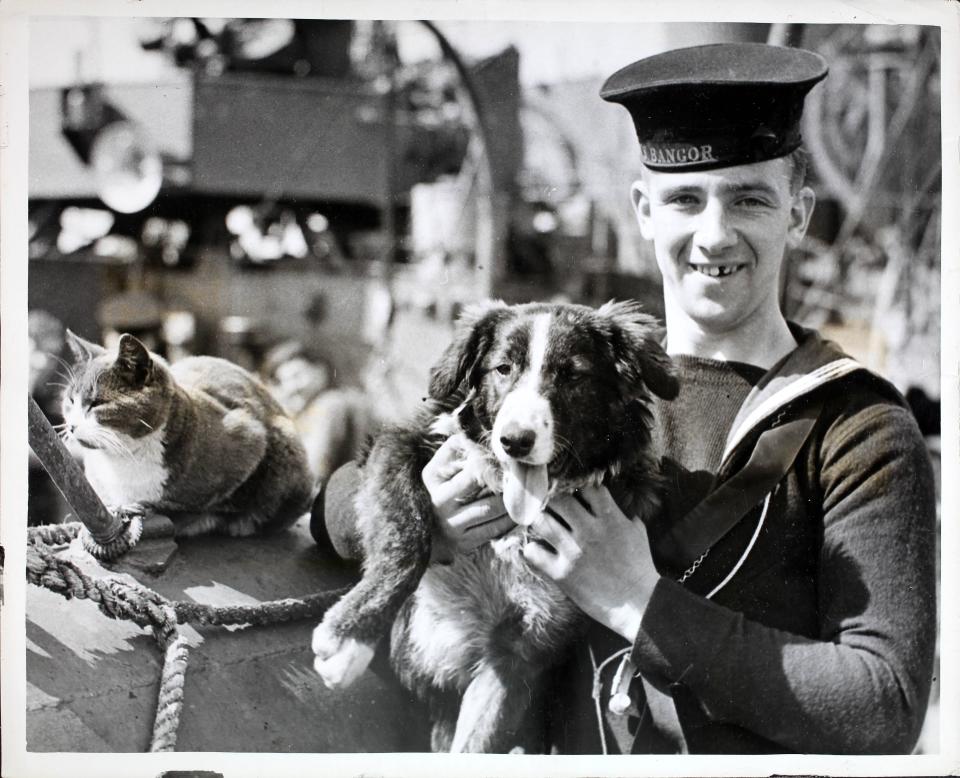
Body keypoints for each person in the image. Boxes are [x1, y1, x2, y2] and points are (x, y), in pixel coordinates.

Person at [315, 42, 937, 754]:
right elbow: (329, 509)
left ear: (798, 212)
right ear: (644, 209)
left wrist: (637, 600)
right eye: (685, 199)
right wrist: (429, 519)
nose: (714, 233)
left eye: (750, 198)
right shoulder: (582, 386)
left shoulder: (859, 428)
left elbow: (886, 705)